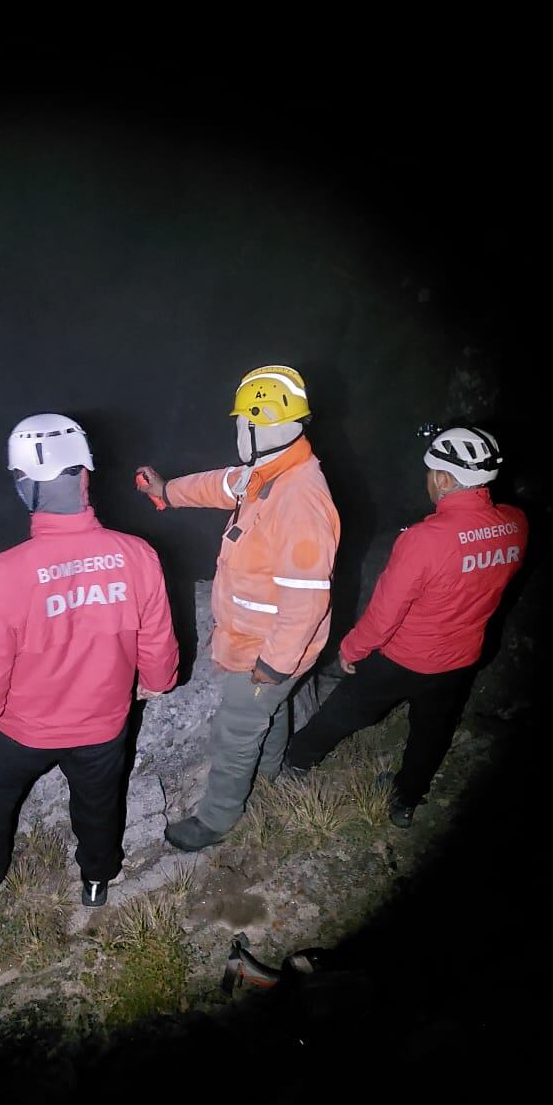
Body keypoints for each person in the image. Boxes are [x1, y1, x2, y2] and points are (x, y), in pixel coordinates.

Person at [0, 413, 179, 926]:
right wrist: (157, 683)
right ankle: (96, 882)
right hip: (101, 727)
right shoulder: (136, 555)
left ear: (23, 486)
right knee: (99, 806)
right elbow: (158, 641)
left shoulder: (0, 575)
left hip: (21, 733)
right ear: (86, 475)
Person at [283, 424, 530, 827]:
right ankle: (405, 801)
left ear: (445, 479)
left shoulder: (424, 539)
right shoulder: (516, 524)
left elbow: (385, 613)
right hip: (461, 659)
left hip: (405, 658)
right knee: (431, 731)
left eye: (430, 474)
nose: (429, 482)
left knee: (347, 708)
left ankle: (297, 760)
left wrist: (352, 649)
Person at [136, 364, 340, 850]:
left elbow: (307, 600)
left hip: (268, 648)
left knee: (235, 731)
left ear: (255, 423)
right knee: (264, 717)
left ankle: (218, 818)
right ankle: (269, 779)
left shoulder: (300, 498)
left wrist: (273, 665)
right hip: (254, 640)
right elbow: (217, 484)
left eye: (238, 423)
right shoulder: (268, 471)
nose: (234, 432)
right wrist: (165, 492)